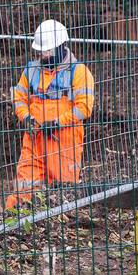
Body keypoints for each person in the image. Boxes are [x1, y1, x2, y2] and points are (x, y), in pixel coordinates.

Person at [8, 19, 95, 210]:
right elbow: (18, 97)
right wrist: (26, 117)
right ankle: (15, 226)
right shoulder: (31, 70)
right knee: (23, 190)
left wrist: (57, 123)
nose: (43, 55)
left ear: (61, 47)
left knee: (64, 195)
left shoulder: (79, 72)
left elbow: (84, 107)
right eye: (41, 51)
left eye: (47, 51)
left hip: (63, 143)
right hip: (34, 139)